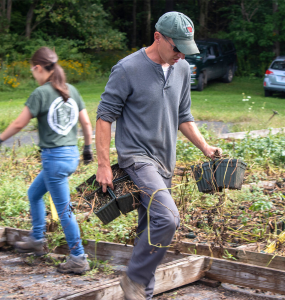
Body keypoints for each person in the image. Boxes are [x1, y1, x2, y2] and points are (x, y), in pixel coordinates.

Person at [95, 12, 222, 300]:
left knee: (149, 232)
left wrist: (205, 146)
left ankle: (142, 294)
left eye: (185, 49)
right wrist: (103, 165)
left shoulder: (181, 69)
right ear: (157, 37)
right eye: (176, 48)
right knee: (168, 219)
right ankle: (135, 280)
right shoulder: (127, 69)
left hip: (166, 161)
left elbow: (183, 115)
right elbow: (104, 118)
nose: (180, 55)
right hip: (137, 159)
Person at [0, 47, 93, 275]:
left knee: (64, 211)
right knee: (34, 193)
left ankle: (78, 257)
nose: (34, 74)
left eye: (33, 70)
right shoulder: (71, 90)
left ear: (39, 68)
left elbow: (19, 124)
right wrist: (88, 148)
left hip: (54, 159)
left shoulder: (41, 93)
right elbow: (87, 124)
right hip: (70, 155)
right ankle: (37, 238)